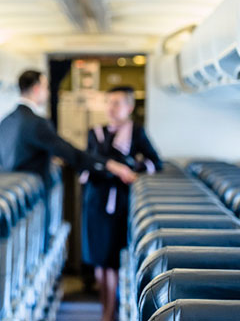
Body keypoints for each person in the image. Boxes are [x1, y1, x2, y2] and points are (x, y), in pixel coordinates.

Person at [81, 86, 161, 321]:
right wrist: (113, 168)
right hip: (96, 201)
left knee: (113, 259)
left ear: (130, 107)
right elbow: (88, 162)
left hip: (120, 203)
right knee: (98, 258)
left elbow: (155, 162)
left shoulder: (136, 132)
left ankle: (110, 312)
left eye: (117, 103)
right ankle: (105, 309)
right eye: (109, 102)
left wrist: (132, 166)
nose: (112, 108)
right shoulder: (95, 132)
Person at [0, 70, 137, 190]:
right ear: (37, 89)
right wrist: (110, 165)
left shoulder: (5, 122)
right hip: (31, 193)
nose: (48, 92)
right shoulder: (36, 123)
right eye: (46, 87)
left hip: (8, 191)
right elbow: (71, 153)